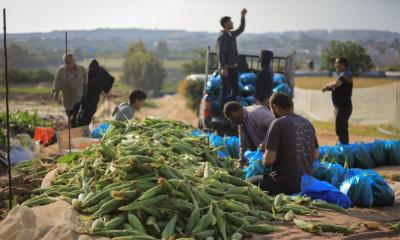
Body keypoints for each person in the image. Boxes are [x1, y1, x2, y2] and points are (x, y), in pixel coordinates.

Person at [248, 92, 319, 195]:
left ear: (275, 107)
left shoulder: (278, 123)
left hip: (284, 182)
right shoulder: (307, 123)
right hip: (307, 182)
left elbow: (269, 160)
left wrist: (263, 158)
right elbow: (315, 155)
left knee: (248, 182)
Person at [223, 101, 275, 167]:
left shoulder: (254, 113)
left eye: (232, 118)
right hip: (263, 155)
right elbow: (243, 144)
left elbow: (274, 125)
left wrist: (265, 142)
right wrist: (242, 160)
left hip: (274, 151)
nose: (233, 121)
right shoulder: (241, 122)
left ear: (235, 112)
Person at [217, 8, 247, 110]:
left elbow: (241, 29)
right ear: (226, 24)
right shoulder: (223, 37)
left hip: (233, 68)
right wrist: (223, 68)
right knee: (225, 90)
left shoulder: (231, 34)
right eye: (230, 21)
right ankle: (223, 112)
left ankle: (232, 110)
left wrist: (242, 16)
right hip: (227, 68)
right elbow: (221, 53)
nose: (232, 23)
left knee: (235, 90)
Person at [322, 57, 353, 144]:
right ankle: (342, 145)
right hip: (340, 107)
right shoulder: (342, 76)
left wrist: (327, 85)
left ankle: (344, 147)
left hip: (344, 107)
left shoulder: (347, 74)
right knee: (340, 128)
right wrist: (328, 88)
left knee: (341, 128)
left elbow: (336, 83)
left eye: (337, 63)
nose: (335, 65)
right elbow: (336, 87)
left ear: (343, 64)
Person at [76, 59, 115, 127]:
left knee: (84, 111)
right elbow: (111, 79)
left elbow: (83, 84)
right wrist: (105, 89)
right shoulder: (102, 71)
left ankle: (81, 125)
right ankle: (84, 125)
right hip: (95, 96)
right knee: (91, 111)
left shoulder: (89, 72)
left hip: (87, 96)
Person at [52, 53, 87, 128]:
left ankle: (77, 131)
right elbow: (57, 81)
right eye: (66, 62)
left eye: (69, 61)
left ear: (74, 61)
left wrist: (87, 93)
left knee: (75, 118)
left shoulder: (82, 70)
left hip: (79, 98)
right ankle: (73, 131)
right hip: (67, 100)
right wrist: (56, 92)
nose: (68, 64)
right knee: (70, 118)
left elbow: (87, 82)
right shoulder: (61, 71)